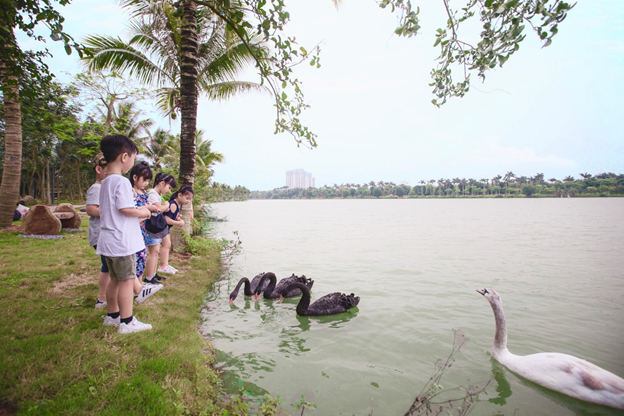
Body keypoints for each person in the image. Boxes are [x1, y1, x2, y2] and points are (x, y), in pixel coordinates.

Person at [97, 135, 159, 334]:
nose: (132, 162)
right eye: (133, 158)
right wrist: (144, 211)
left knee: (114, 279)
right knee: (126, 280)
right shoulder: (121, 182)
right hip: (121, 241)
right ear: (124, 157)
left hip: (108, 240)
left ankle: (112, 315)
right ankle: (127, 321)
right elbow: (126, 209)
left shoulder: (105, 181)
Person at [129, 161, 163, 303]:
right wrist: (147, 209)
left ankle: (139, 286)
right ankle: (137, 289)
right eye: (144, 180)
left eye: (148, 181)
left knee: (142, 257)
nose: (146, 184)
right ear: (135, 177)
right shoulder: (130, 192)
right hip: (133, 229)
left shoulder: (142, 193)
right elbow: (132, 210)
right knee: (136, 258)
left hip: (142, 229)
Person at [85, 153, 109, 309]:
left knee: (107, 267)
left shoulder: (105, 187)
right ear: (99, 169)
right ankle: (102, 298)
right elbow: (91, 209)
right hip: (100, 235)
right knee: (107, 266)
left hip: (105, 234)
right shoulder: (96, 188)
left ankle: (105, 297)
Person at [144, 173, 176, 283]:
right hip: (152, 226)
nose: (169, 191)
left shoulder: (157, 195)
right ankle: (149, 277)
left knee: (156, 250)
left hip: (155, 226)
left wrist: (164, 207)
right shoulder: (152, 194)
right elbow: (159, 209)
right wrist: (166, 205)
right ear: (162, 183)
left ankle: (153, 273)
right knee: (153, 251)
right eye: (169, 188)